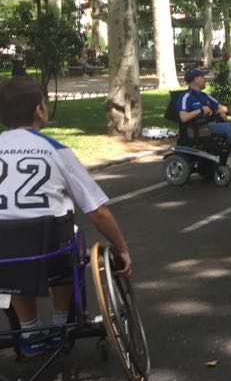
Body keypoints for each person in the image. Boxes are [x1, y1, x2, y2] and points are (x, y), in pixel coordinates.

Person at [0, 77, 132, 355]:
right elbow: (98, 211)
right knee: (70, 239)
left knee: (9, 253)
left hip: (5, 257)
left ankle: (30, 330)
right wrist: (121, 249)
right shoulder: (56, 151)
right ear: (39, 110)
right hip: (48, 250)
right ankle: (62, 322)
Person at [176, 66, 231, 169]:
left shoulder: (205, 96)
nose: (205, 79)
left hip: (212, 124)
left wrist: (220, 111)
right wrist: (200, 110)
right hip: (199, 127)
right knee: (227, 128)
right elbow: (183, 118)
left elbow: (222, 108)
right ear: (195, 79)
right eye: (202, 77)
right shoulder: (184, 97)